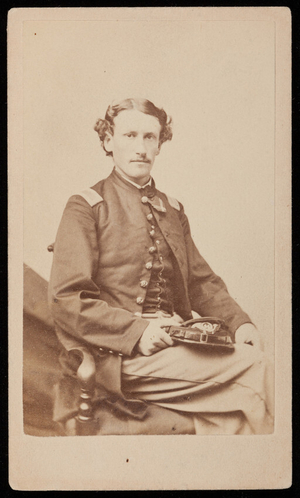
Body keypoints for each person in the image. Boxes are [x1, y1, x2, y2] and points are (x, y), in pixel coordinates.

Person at [48, 98, 274, 435]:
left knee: (247, 396)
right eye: (129, 136)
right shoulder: (86, 207)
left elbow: (201, 282)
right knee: (258, 371)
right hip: (121, 357)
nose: (140, 148)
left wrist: (239, 322)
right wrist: (136, 332)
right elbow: (67, 298)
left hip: (178, 344)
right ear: (109, 141)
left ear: (160, 143)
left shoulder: (173, 208)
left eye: (150, 137)